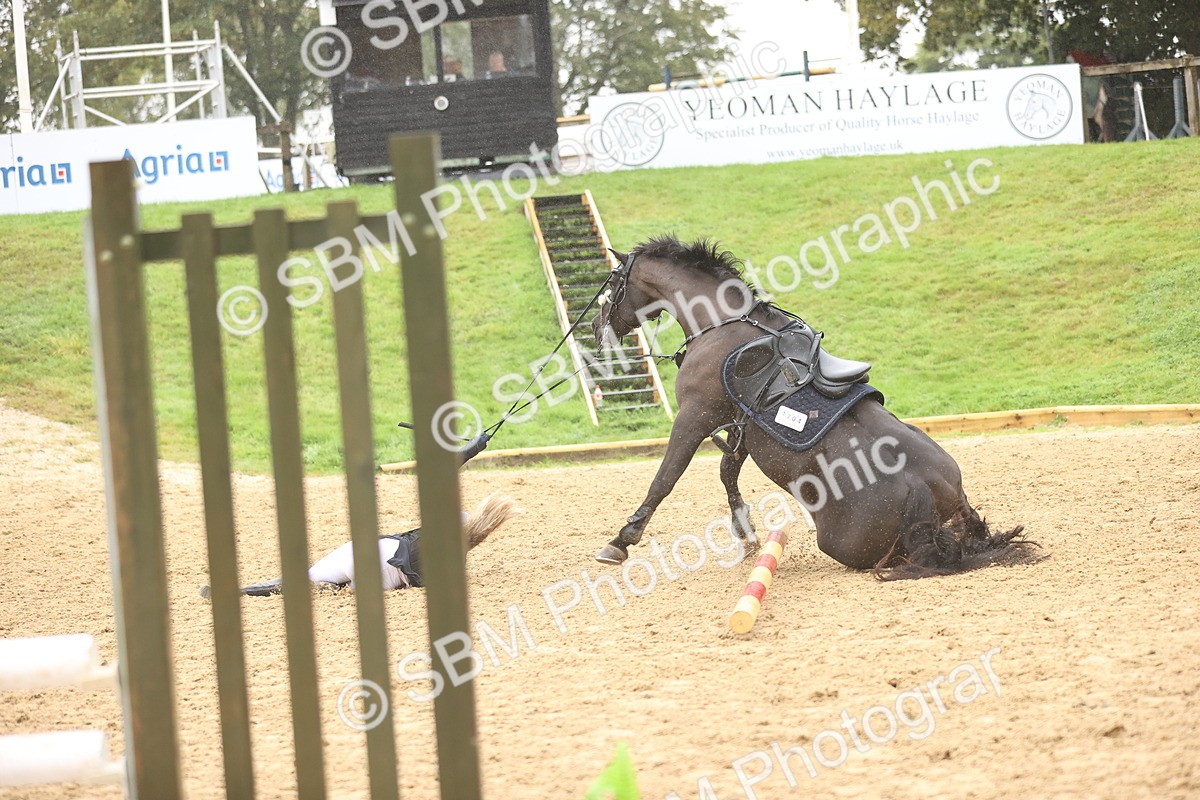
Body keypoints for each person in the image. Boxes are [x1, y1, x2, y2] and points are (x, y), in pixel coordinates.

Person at [204, 493, 519, 597]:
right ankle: (342, 587)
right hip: (386, 576)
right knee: (346, 587)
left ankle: (239, 591)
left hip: (372, 550)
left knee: (307, 577)